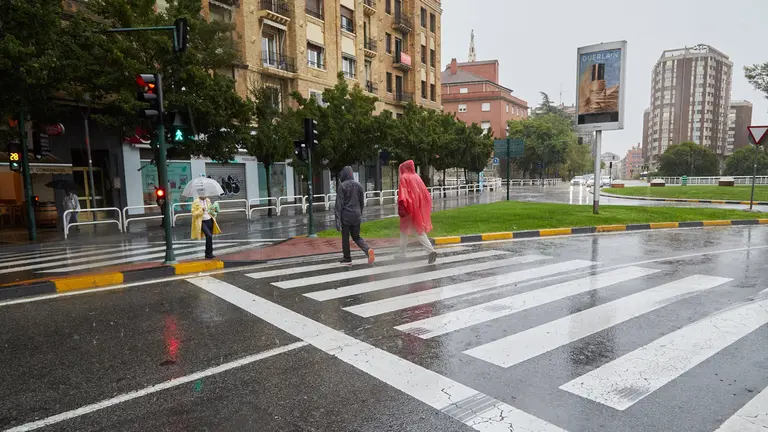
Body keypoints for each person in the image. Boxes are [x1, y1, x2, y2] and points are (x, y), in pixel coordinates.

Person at [397, 160, 437, 263]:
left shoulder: (404, 177)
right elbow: (424, 193)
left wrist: (402, 206)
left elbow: (403, 194)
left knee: (415, 230)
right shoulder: (417, 177)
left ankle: (430, 251)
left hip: (407, 209)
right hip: (417, 208)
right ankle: (402, 253)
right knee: (407, 230)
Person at [335, 166, 375, 265]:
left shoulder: (342, 186)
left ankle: (347, 257)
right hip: (356, 215)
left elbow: (339, 205)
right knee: (356, 237)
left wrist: (337, 221)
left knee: (345, 238)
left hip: (346, 216)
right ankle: (368, 250)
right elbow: (361, 202)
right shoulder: (359, 185)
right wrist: (359, 213)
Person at [191, 190, 221, 259]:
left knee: (209, 237)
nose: (205, 195)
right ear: (199, 194)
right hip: (202, 221)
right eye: (203, 194)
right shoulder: (195, 202)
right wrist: (201, 210)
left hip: (209, 220)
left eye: (205, 193)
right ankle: (208, 253)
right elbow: (194, 214)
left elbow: (210, 210)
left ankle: (209, 253)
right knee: (209, 235)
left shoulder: (208, 200)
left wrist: (214, 209)